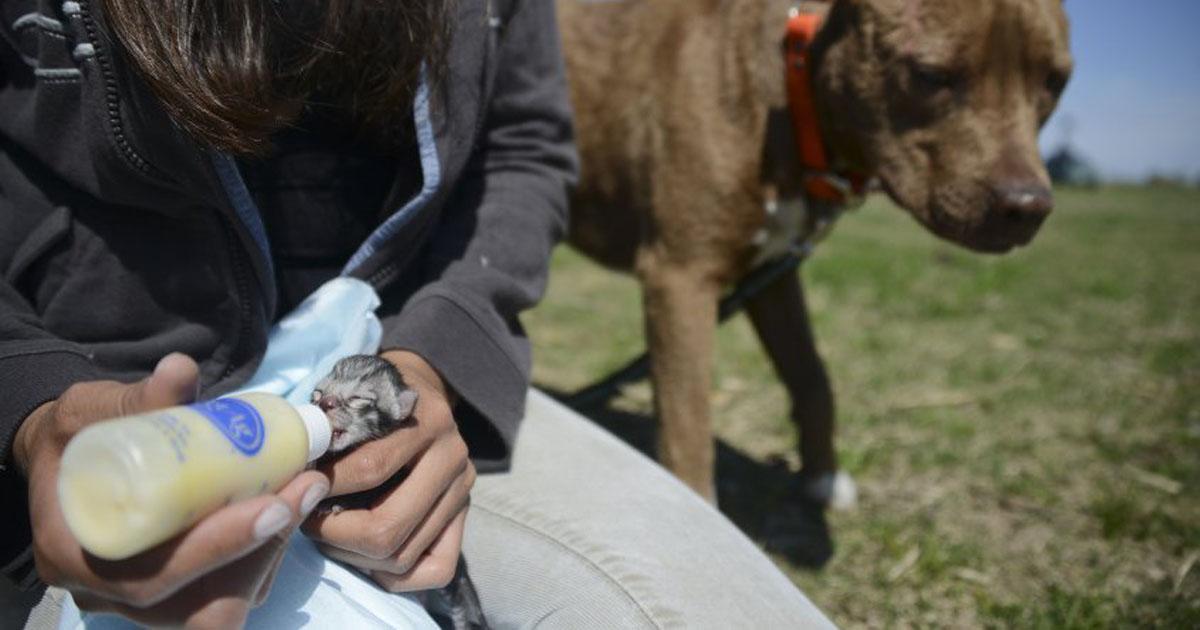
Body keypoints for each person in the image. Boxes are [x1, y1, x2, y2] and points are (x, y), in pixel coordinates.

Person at [0, 0, 834, 627]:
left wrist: (439, 358)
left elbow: (525, 144)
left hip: (407, 371)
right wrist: (32, 405)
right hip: (85, 417)